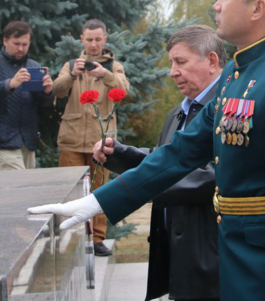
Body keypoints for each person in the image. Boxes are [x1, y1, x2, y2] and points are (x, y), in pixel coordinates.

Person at [30, 0, 265, 300]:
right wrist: (96, 202)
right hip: (241, 262)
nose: (216, 5)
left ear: (258, 8)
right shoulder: (237, 75)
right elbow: (180, 153)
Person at [95, 25, 224, 300]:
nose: (172, 72)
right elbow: (165, 160)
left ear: (211, 61)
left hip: (212, 258)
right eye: (171, 63)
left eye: (181, 62)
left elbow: (210, 176)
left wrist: (141, 185)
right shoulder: (179, 112)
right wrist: (121, 155)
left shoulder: (230, 108)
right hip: (180, 255)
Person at [52, 18, 129, 257]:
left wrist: (104, 73)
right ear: (82, 40)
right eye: (89, 39)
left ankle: (97, 239)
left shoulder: (114, 66)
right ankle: (71, 240)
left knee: (100, 191)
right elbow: (56, 90)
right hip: (72, 139)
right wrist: (71, 75)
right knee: (71, 191)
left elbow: (124, 90)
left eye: (98, 39)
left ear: (104, 40)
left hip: (101, 140)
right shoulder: (71, 64)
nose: (94, 44)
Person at [0, 21, 53, 170]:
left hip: (28, 140)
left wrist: (47, 91)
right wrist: (10, 83)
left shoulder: (33, 66)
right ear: (5, 41)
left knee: (26, 188)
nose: (21, 48)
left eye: (25, 44)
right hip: (2, 140)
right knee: (17, 188)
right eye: (16, 43)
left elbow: (44, 104)